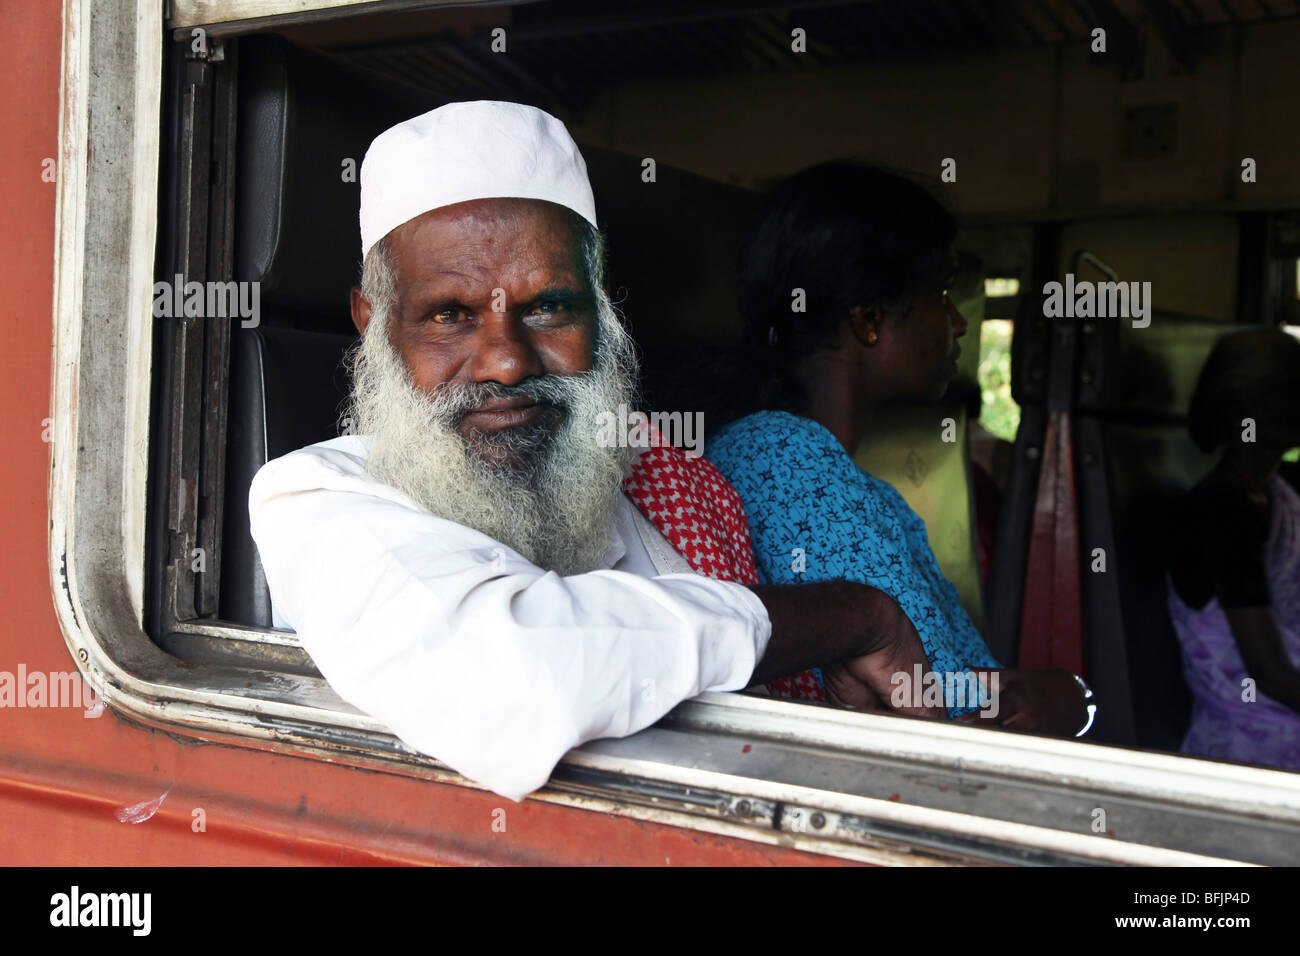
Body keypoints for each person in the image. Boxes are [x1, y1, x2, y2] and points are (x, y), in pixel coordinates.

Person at [249, 103, 942, 803]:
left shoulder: (662, 502)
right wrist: (858, 616)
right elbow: (522, 686)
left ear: (600, 313)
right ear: (374, 325)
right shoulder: (315, 499)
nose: (507, 362)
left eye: (548, 308)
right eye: (450, 315)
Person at [704, 162, 1091, 736]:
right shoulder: (786, 460)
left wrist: (1056, 696)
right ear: (869, 319)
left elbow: (957, 685)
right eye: (940, 293)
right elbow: (924, 716)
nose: (958, 323)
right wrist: (1066, 702)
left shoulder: (833, 473)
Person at [1166, 329, 1300, 769]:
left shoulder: (1275, 493)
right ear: (1252, 409)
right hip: (1254, 737)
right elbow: (1269, 672)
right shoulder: (1221, 511)